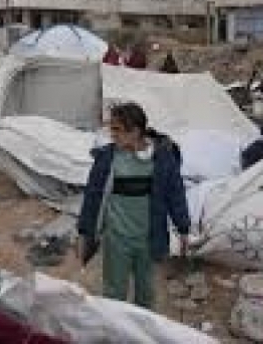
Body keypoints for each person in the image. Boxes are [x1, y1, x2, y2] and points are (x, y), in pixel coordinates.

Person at [77, 102, 190, 309]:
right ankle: (115, 326)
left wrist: (183, 228)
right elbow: (92, 197)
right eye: (111, 129)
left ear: (135, 131)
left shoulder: (161, 157)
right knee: (114, 292)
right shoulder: (107, 158)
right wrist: (85, 232)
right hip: (116, 239)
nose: (113, 135)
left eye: (117, 129)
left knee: (146, 292)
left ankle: (142, 326)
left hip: (149, 239)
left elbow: (175, 193)